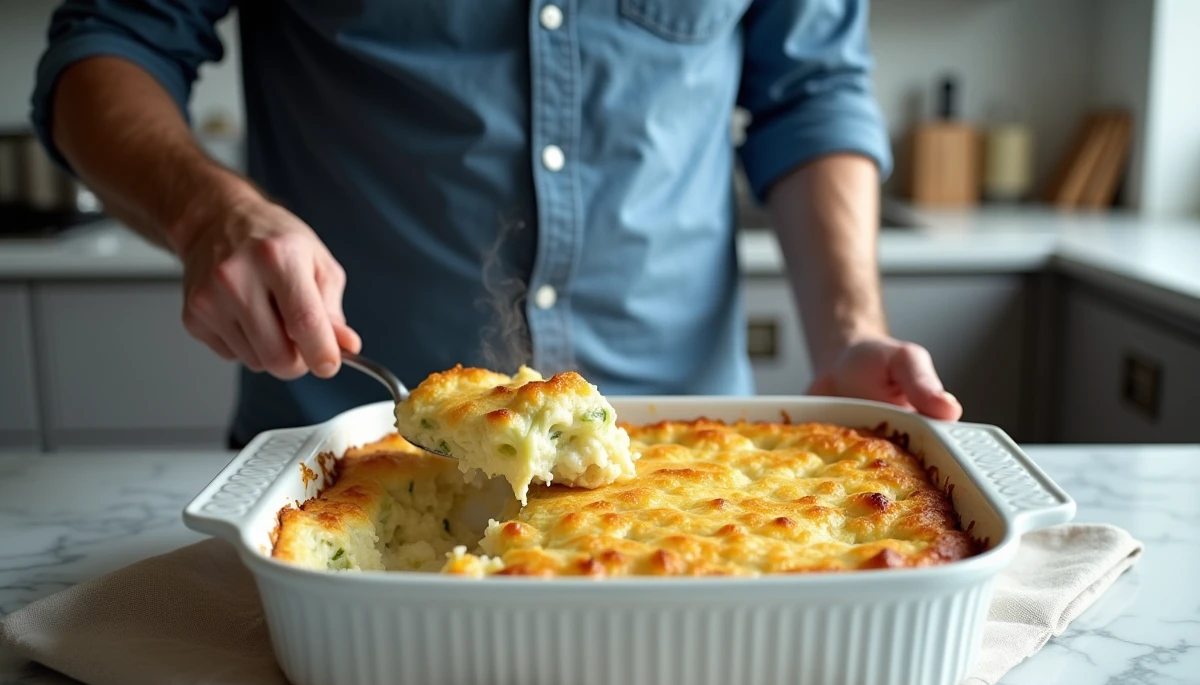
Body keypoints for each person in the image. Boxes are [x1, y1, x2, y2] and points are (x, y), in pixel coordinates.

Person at [33, 0, 962, 447]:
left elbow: (810, 94)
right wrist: (209, 211)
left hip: (692, 456)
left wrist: (850, 332)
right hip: (349, 446)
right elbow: (107, 42)